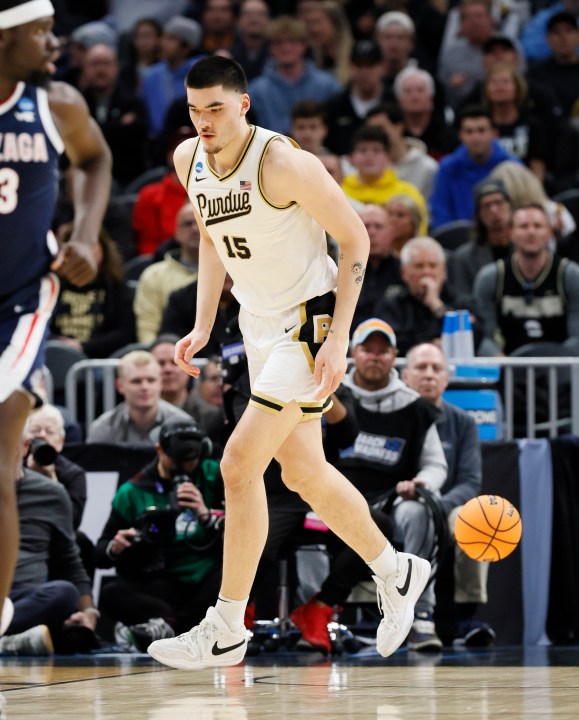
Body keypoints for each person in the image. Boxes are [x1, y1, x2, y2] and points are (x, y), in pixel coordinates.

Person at [147, 55, 432, 670]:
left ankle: (225, 627)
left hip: (310, 320)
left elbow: (355, 237)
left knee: (240, 463)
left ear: (244, 104)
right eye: (195, 111)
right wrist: (202, 323)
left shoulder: (283, 162)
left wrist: (339, 339)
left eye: (216, 109)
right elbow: (210, 236)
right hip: (257, 323)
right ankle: (397, 568)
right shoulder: (187, 160)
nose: (204, 122)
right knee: (303, 472)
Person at [0, 0, 111, 640]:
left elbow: (94, 161)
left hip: (20, 298)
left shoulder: (56, 102)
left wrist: (89, 238)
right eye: (40, 31)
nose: (55, 41)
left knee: (1, 445)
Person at [290, 320, 447, 654]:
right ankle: (317, 607)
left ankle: (419, 614)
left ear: (394, 357)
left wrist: (421, 483)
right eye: (367, 350)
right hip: (330, 496)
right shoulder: (330, 393)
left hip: (389, 500)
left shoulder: (416, 406)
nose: (375, 357)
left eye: (383, 350)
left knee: (413, 512)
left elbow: (436, 464)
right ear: (353, 354)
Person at [94, 419, 224, 651]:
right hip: (160, 580)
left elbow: (241, 530)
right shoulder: (132, 491)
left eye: (192, 460)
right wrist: (116, 546)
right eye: (178, 461)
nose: (186, 467)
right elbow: (100, 552)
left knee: (237, 574)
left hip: (205, 577)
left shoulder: (214, 475)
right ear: (159, 450)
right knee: (111, 594)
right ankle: (181, 627)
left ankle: (167, 629)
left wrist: (205, 514)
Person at [402, 343, 496, 648]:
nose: (429, 375)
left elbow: (470, 482)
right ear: (405, 375)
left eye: (436, 368)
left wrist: (439, 505)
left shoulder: (463, 422)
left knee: (482, 520)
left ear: (446, 378)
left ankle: (462, 617)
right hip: (399, 505)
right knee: (414, 515)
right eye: (421, 367)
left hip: (446, 504)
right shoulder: (395, 414)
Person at [0, 466, 99, 657]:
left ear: (25, 446)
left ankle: (7, 640)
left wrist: (89, 612)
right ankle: (10, 641)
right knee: (61, 636)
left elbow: (70, 563)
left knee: (64, 593)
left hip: (23, 597)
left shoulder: (51, 492)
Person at [473, 204, 579, 357]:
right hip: (506, 370)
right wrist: (505, 366)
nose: (531, 232)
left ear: (549, 232)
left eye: (538, 226)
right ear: (511, 232)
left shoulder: (570, 275)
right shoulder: (491, 277)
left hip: (561, 371)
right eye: (523, 226)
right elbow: (484, 337)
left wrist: (554, 369)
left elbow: (577, 337)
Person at [428, 106, 518, 230]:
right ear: (461, 135)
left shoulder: (512, 166)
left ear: (494, 134)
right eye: (469, 132)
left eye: (481, 131)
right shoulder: (447, 168)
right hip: (458, 241)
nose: (475, 138)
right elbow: (440, 214)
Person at [376, 237, 459, 356]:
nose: (427, 272)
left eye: (433, 266)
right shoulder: (391, 305)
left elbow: (473, 335)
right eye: (419, 266)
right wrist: (430, 347)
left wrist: (436, 305)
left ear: (443, 271)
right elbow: (391, 342)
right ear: (404, 273)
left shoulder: (459, 301)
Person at [86, 350, 192, 444]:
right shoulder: (103, 428)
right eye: (136, 381)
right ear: (120, 386)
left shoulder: (183, 425)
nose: (145, 387)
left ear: (160, 383)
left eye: (151, 380)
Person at [340, 125, 428, 234]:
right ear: (351, 157)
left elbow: (419, 230)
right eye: (362, 150)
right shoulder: (340, 192)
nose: (369, 156)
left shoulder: (408, 192)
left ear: (388, 156)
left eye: (376, 150)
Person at [134, 202, 201, 343]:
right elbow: (148, 329)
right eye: (188, 224)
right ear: (176, 232)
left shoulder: (230, 272)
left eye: (201, 222)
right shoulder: (153, 275)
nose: (195, 228)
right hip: (170, 358)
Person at [447, 178, 513, 312]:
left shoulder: (528, 249)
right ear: (478, 214)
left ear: (510, 206)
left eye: (498, 203)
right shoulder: (463, 258)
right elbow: (462, 301)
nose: (494, 210)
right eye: (486, 206)